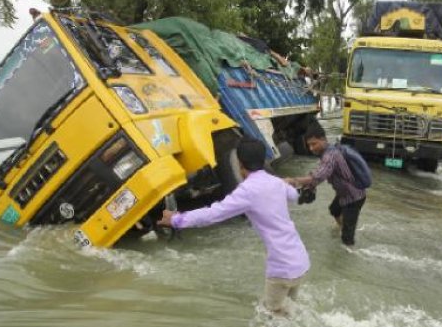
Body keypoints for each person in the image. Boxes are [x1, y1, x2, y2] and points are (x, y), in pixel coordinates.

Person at [157, 138, 309, 316]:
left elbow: (213, 214)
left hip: (281, 268)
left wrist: (176, 219)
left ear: (239, 163)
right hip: (300, 261)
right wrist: (285, 182)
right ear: (263, 160)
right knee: (290, 312)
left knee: (270, 316)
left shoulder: (246, 191)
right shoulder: (276, 182)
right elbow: (294, 196)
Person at [285, 124, 367, 248]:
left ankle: (348, 252)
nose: (311, 148)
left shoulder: (330, 156)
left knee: (347, 240)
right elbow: (322, 173)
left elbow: (317, 176)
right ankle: (342, 226)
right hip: (343, 194)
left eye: (314, 144)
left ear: (323, 139)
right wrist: (311, 186)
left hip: (354, 197)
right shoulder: (328, 151)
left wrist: (293, 180)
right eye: (309, 145)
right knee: (334, 209)